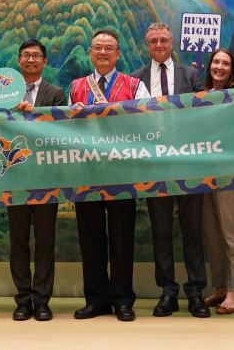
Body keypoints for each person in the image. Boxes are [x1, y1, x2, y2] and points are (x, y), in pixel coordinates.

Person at [70, 29, 149, 322]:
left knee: (121, 236)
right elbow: (65, 130)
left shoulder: (135, 85)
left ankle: (123, 300)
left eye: (108, 48)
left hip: (122, 170)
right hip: (86, 169)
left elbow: (148, 121)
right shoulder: (77, 86)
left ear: (118, 54)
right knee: (89, 237)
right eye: (98, 48)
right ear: (90, 52)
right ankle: (96, 299)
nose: (103, 53)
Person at [131, 23, 209, 318]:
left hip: (188, 162)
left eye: (164, 40)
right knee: (161, 231)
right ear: (146, 44)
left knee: (192, 231)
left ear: (172, 42)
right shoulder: (136, 79)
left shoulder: (190, 75)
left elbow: (206, 113)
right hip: (154, 164)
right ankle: (168, 292)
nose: (159, 45)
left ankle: (196, 292)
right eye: (154, 41)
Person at [8, 39, 66, 321]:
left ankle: (42, 300)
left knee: (45, 241)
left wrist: (36, 116)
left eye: (36, 55)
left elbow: (60, 131)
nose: (30, 59)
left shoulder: (55, 93)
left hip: (46, 177)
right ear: (19, 60)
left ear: (44, 61)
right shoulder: (4, 94)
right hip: (15, 176)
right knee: (18, 241)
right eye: (25, 55)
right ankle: (22, 299)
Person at [201, 48, 234, 315]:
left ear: (232, 69)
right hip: (202, 172)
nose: (219, 67)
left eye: (226, 63)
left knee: (231, 232)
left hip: (229, 171)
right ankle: (219, 287)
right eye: (216, 62)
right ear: (210, 66)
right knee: (211, 231)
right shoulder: (200, 96)